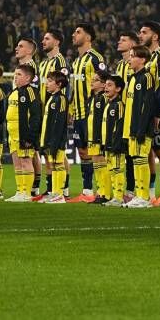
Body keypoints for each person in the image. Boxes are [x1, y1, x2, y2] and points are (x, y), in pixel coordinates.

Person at [68, 23, 106, 203]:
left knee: (97, 152)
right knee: (83, 152)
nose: (73, 35)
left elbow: (104, 83)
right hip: (78, 113)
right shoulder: (76, 61)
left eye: (78, 32)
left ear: (88, 37)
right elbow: (74, 89)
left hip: (92, 113)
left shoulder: (95, 58)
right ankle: (87, 190)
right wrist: (71, 109)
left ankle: (104, 190)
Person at [138, 21, 160, 205]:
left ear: (155, 36)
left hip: (155, 113)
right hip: (144, 114)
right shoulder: (146, 57)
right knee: (148, 153)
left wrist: (159, 113)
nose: (140, 35)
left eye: (144, 32)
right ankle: (150, 194)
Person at [123, 46, 158, 209]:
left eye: (133, 56)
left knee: (142, 160)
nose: (129, 59)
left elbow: (148, 105)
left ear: (143, 60)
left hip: (141, 128)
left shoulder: (146, 77)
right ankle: (139, 195)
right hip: (132, 128)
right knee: (136, 161)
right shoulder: (132, 78)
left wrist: (141, 129)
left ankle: (144, 197)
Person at [3, 63, 41, 202]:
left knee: (25, 162)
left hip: (24, 135)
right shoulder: (14, 92)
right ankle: (20, 191)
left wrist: (31, 137)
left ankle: (27, 193)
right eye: (15, 74)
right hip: (13, 134)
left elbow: (36, 116)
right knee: (17, 163)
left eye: (19, 74)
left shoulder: (31, 92)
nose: (15, 77)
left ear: (28, 78)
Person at [38, 71, 70, 204]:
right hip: (50, 139)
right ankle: (55, 193)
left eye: (50, 81)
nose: (47, 83)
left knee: (58, 164)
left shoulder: (61, 99)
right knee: (54, 165)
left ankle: (59, 194)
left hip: (57, 140)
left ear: (59, 84)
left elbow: (59, 122)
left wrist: (55, 142)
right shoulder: (52, 98)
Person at [85, 69, 112, 204]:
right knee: (96, 165)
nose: (92, 81)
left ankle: (106, 194)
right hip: (92, 137)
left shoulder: (102, 98)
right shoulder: (93, 98)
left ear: (103, 84)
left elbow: (102, 120)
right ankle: (100, 192)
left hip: (99, 138)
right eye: (92, 79)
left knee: (102, 165)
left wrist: (100, 138)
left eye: (95, 80)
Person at [101, 76, 127, 207]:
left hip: (116, 145)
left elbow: (120, 126)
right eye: (105, 85)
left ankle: (119, 197)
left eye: (110, 85)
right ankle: (115, 197)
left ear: (118, 89)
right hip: (108, 144)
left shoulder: (119, 105)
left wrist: (117, 143)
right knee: (111, 170)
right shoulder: (108, 104)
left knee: (117, 169)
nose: (106, 87)